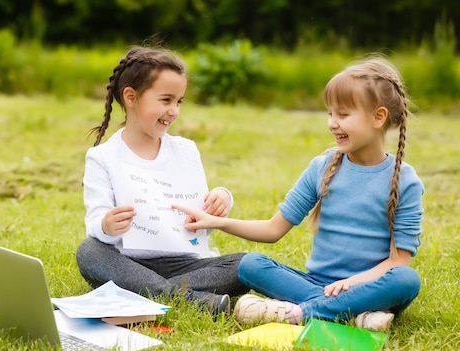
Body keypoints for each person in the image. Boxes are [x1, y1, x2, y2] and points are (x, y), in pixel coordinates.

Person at [173, 56, 424, 331]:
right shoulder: (322, 167)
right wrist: (218, 222)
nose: (332, 123)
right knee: (250, 264)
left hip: (368, 286)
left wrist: (351, 285)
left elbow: (398, 260)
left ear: (378, 117)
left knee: (406, 279)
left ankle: (299, 313)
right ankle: (354, 315)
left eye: (343, 115)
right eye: (330, 113)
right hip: (313, 282)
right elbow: (273, 230)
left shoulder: (405, 181)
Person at [75, 46, 248, 315]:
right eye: (166, 100)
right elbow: (95, 223)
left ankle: (159, 294)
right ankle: (193, 300)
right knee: (89, 252)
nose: (174, 111)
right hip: (129, 262)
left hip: (185, 264)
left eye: (179, 101)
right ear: (131, 97)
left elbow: (199, 228)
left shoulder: (186, 150)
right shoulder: (103, 157)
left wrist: (221, 200)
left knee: (245, 265)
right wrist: (107, 226)